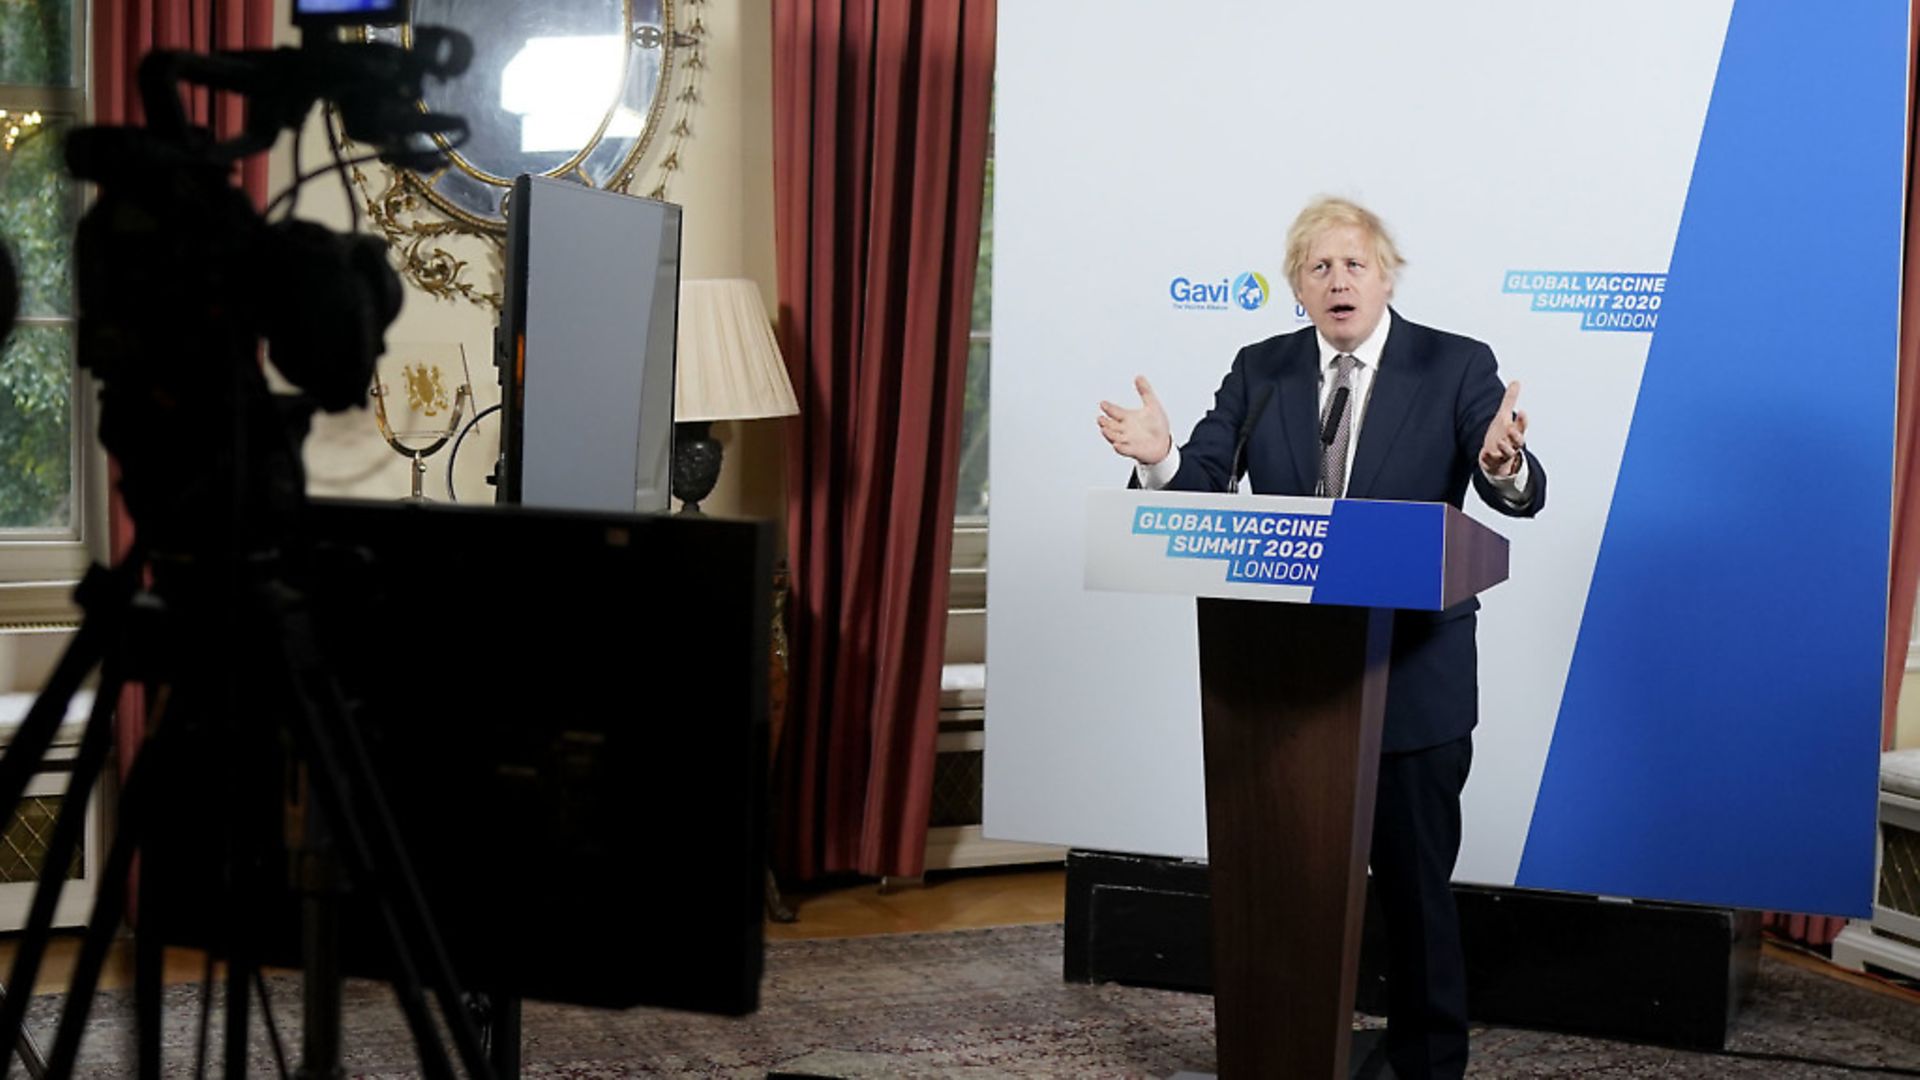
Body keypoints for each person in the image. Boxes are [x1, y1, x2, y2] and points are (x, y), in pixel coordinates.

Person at [1097, 196, 1544, 1080]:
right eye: (1318, 267)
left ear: (1387, 276)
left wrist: (1503, 465)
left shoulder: (1454, 364)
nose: (1338, 281)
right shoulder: (1260, 369)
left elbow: (1511, 486)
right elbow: (1202, 482)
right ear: (1297, 287)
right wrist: (1157, 458)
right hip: (1288, 682)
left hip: (1414, 674)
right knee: (1289, 880)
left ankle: (1426, 1064)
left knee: (1415, 888)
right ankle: (1288, 1051)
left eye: (1355, 265)